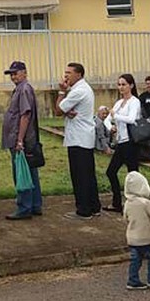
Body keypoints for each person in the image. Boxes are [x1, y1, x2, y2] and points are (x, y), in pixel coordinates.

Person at [55, 62, 101, 220]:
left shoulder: (78, 90)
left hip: (79, 138)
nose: (66, 75)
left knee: (80, 175)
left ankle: (84, 210)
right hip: (83, 137)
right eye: (65, 72)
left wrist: (61, 91)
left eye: (69, 72)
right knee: (88, 174)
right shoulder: (80, 89)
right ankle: (94, 206)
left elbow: (58, 110)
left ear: (79, 74)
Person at [1, 61, 43, 220]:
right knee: (30, 171)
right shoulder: (21, 89)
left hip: (21, 139)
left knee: (21, 172)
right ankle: (35, 204)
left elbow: (25, 115)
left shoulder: (24, 89)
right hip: (24, 138)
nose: (13, 76)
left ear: (24, 73)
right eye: (11, 74)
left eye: (15, 73)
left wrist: (19, 140)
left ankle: (24, 206)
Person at [102, 74, 142, 213]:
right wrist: (111, 127)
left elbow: (131, 119)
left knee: (133, 174)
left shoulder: (134, 101)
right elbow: (107, 119)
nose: (121, 87)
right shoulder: (119, 103)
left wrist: (115, 116)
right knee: (111, 172)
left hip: (131, 142)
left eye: (124, 84)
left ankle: (137, 204)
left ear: (131, 85)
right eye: (119, 84)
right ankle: (117, 202)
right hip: (121, 141)